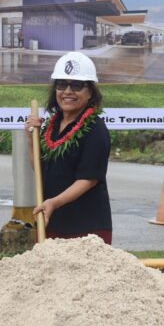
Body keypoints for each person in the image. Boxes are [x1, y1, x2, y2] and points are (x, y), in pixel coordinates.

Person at [26, 52, 113, 243]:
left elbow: (88, 179)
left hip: (86, 228)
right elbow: (39, 169)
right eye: (61, 84)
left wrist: (54, 203)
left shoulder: (95, 129)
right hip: (52, 221)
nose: (67, 91)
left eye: (76, 85)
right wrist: (31, 139)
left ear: (90, 92)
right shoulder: (52, 125)